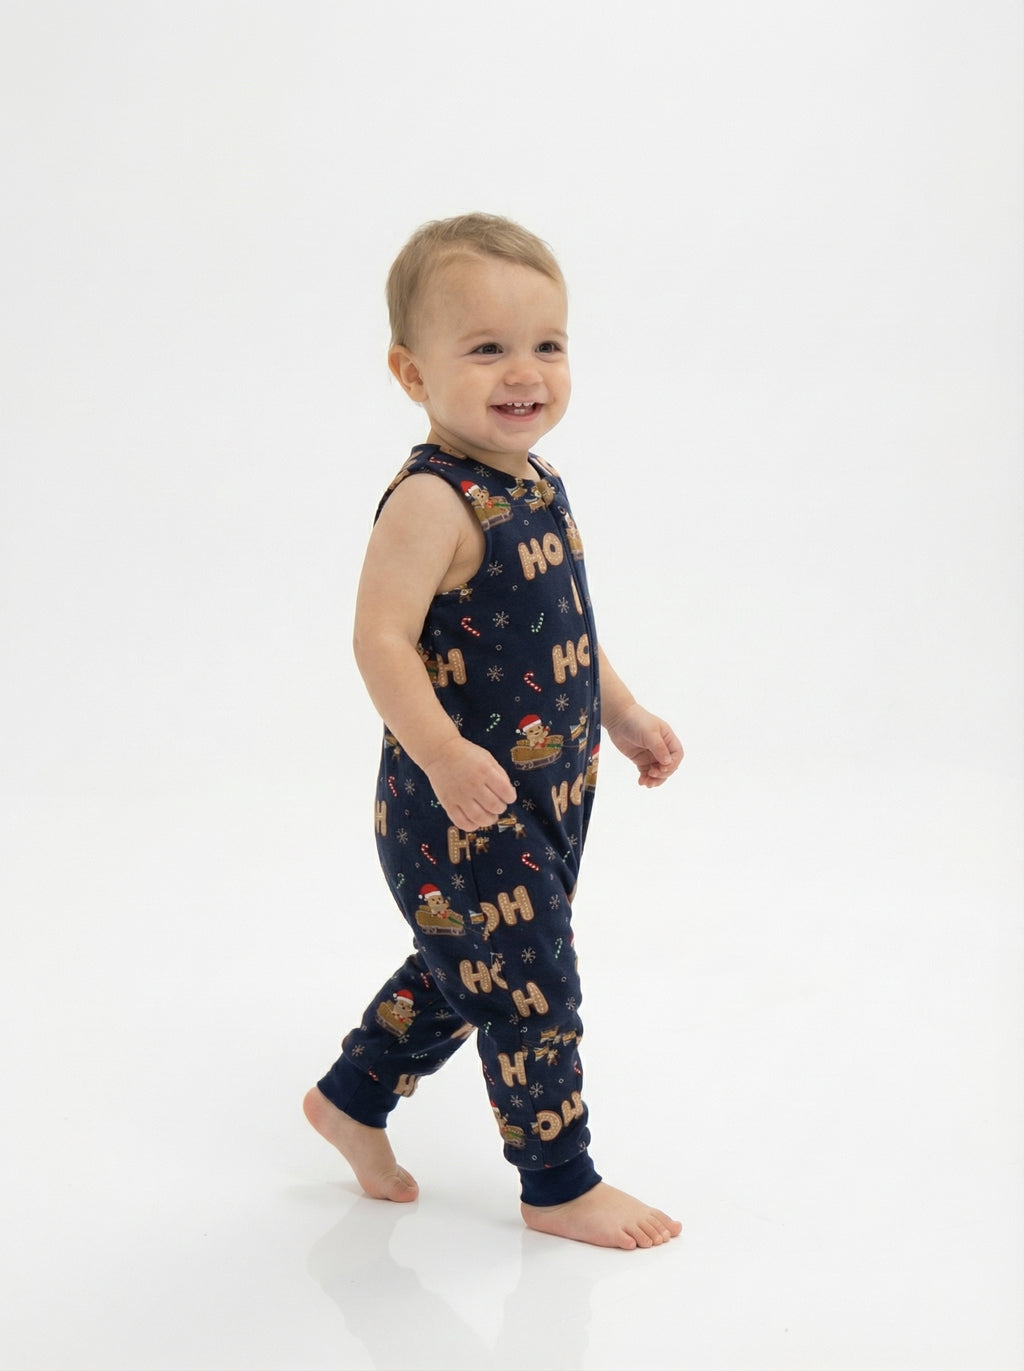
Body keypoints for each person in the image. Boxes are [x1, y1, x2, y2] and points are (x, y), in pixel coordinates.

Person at [303, 213, 684, 1251]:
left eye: (546, 344)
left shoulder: (537, 482)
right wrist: (440, 752)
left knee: (468, 964)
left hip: (548, 793)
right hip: (459, 805)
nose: (524, 372)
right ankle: (557, 1182)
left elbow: (567, 632)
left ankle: (351, 1095)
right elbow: (378, 639)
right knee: (532, 984)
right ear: (411, 372)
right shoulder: (433, 500)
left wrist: (624, 713)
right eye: (486, 348)